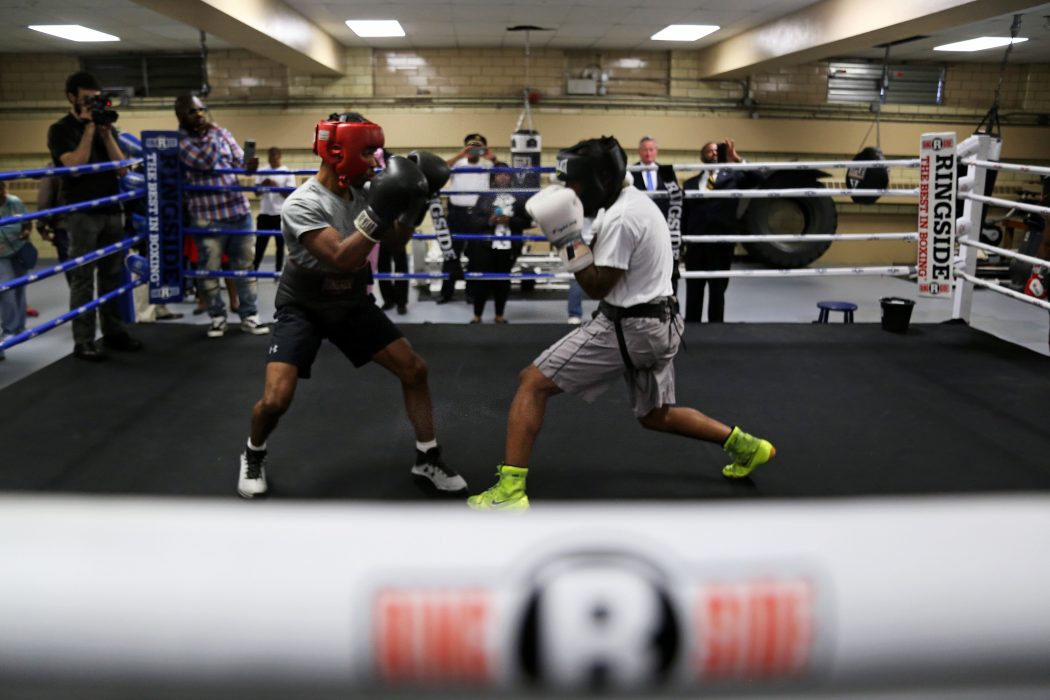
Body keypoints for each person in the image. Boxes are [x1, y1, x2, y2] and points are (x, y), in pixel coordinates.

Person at [467, 136, 775, 510]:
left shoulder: (623, 218)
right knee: (655, 415)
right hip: (661, 323)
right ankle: (748, 447)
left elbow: (597, 285)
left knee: (531, 383)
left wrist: (567, 239)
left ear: (600, 178)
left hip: (632, 328)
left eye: (575, 185)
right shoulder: (631, 203)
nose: (571, 192)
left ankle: (510, 493)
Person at [237, 112, 467, 499]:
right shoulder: (301, 204)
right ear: (338, 152)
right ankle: (252, 453)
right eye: (369, 152)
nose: (377, 161)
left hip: (351, 301)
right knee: (276, 399)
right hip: (304, 303)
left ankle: (428, 456)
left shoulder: (364, 191)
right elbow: (341, 257)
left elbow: (393, 243)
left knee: (414, 370)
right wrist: (381, 208)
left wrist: (417, 201)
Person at [47, 71, 142, 362]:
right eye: (87, 99)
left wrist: (104, 132)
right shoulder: (60, 129)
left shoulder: (106, 128)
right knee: (83, 279)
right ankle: (84, 340)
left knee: (113, 275)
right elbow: (74, 166)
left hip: (111, 210)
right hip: (82, 213)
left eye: (97, 99)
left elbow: (122, 169)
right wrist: (88, 128)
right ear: (71, 97)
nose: (93, 105)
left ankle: (113, 331)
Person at [175, 93, 269, 339]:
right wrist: (214, 134)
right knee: (210, 270)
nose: (199, 115)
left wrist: (250, 165)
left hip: (237, 210)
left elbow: (240, 159)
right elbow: (206, 161)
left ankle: (249, 315)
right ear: (181, 116)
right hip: (207, 216)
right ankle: (217, 318)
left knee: (245, 267)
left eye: (201, 109)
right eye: (193, 111)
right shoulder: (181, 142)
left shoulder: (222, 133)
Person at [681, 139, 756, 323]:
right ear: (702, 157)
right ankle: (693, 332)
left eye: (717, 151)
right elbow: (685, 216)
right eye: (709, 151)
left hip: (721, 245)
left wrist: (736, 159)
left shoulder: (734, 178)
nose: (714, 153)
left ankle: (716, 332)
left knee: (717, 292)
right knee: (693, 293)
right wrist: (682, 244)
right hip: (696, 247)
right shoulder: (690, 184)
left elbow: (758, 178)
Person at [467, 164, 528, 323]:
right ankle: (477, 315)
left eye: (506, 174)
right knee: (483, 281)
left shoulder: (519, 197)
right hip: (486, 245)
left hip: (508, 246)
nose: (503, 177)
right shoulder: (485, 196)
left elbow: (526, 222)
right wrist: (490, 221)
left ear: (511, 177)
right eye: (499, 174)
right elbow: (474, 221)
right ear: (494, 177)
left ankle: (499, 315)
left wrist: (511, 220)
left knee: (503, 281)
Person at [440, 133, 495, 304]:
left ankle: (472, 294)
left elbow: (504, 173)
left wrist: (490, 156)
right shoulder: (457, 163)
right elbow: (440, 168)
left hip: (479, 215)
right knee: (451, 254)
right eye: (471, 145)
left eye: (478, 146)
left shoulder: (488, 166)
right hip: (457, 214)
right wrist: (461, 154)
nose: (474, 149)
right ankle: (446, 293)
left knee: (476, 256)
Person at [375, 144, 410, 315]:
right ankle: (389, 300)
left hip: (396, 218)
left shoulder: (395, 162)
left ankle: (402, 302)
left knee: (400, 262)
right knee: (382, 263)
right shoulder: (366, 163)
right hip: (378, 217)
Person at [0, 181, 32, 361]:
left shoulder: (15, 202)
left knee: (21, 288)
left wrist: (26, 232)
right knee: (7, 290)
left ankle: (19, 327)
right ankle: (10, 329)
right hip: (1, 255)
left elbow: (27, 222)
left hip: (18, 250)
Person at [252, 146, 294, 274]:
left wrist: (277, 186)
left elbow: (290, 195)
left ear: (279, 157)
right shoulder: (262, 171)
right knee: (260, 245)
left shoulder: (287, 172)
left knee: (280, 245)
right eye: (270, 159)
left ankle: (277, 271)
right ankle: (254, 271)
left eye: (274, 159)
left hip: (280, 214)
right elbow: (256, 193)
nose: (272, 161)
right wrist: (263, 184)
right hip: (265, 214)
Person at [631, 136, 669, 217]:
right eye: (645, 150)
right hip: (638, 216)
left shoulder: (666, 172)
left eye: (651, 150)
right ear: (639, 151)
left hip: (661, 217)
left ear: (656, 151)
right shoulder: (631, 171)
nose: (648, 153)